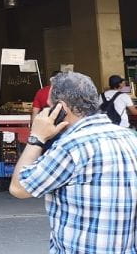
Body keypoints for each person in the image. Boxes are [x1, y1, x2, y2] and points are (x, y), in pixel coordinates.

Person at [10, 72, 137, 254]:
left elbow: (19, 188)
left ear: (61, 108)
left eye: (50, 107)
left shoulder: (71, 146)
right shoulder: (130, 138)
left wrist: (37, 137)